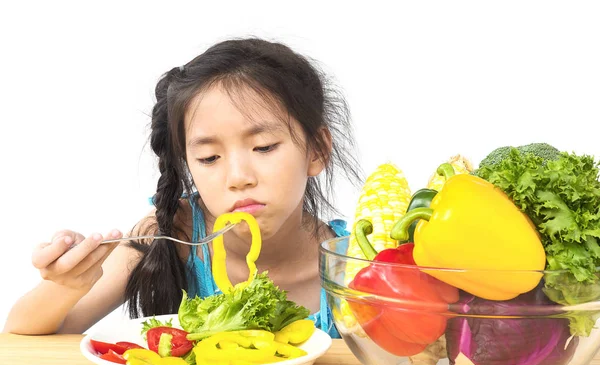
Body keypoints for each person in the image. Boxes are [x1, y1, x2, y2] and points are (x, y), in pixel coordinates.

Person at [3, 37, 362, 339]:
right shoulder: (171, 235)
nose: (238, 177)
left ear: (316, 150)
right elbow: (22, 338)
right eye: (209, 157)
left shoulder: (358, 265)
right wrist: (66, 286)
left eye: (264, 147)